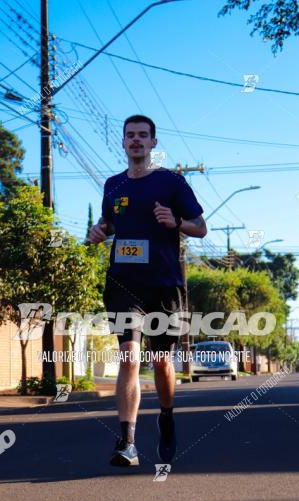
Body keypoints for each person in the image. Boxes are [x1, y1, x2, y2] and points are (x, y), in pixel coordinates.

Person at [89, 114, 207, 466]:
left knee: (161, 363)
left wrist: (177, 223)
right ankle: (127, 442)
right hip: (125, 283)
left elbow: (201, 227)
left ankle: (167, 417)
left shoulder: (171, 182)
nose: (136, 140)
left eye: (143, 135)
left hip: (165, 283)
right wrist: (99, 230)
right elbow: (110, 222)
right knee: (128, 354)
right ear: (123, 143)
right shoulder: (112, 185)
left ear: (154, 143)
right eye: (130, 135)